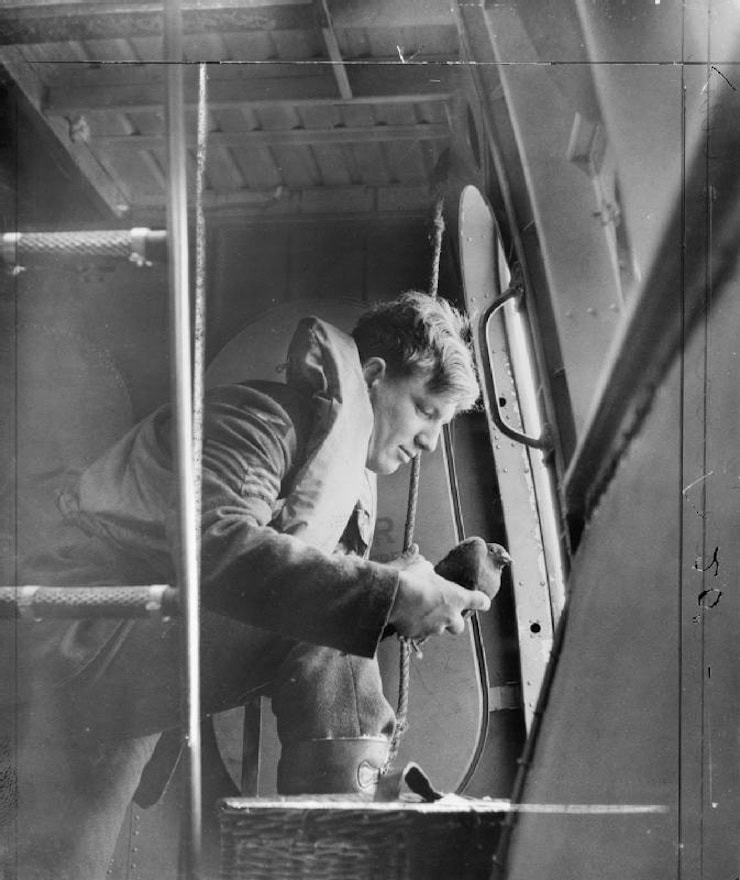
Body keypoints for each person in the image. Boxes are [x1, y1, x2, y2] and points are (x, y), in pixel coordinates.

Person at [2, 291, 495, 879]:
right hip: (83, 633)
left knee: (57, 868)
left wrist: (402, 592)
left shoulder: (324, 461)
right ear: (373, 375)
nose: (430, 441)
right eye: (425, 410)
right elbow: (219, 545)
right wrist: (388, 594)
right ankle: (340, 860)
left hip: (112, 660)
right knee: (326, 634)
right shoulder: (259, 421)